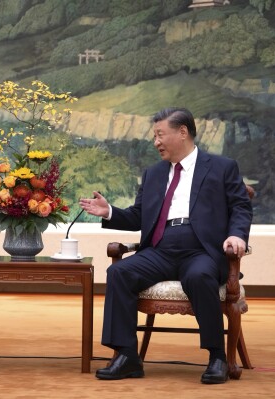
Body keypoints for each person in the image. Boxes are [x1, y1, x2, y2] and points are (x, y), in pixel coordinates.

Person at [79, 107, 252, 384]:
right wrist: (109, 211)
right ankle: (127, 356)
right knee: (119, 272)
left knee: (199, 275)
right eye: (154, 136)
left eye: (160, 135)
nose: (156, 142)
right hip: (160, 249)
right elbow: (139, 216)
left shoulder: (221, 167)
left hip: (202, 250)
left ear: (182, 132)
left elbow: (241, 206)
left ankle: (217, 356)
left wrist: (238, 235)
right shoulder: (154, 174)